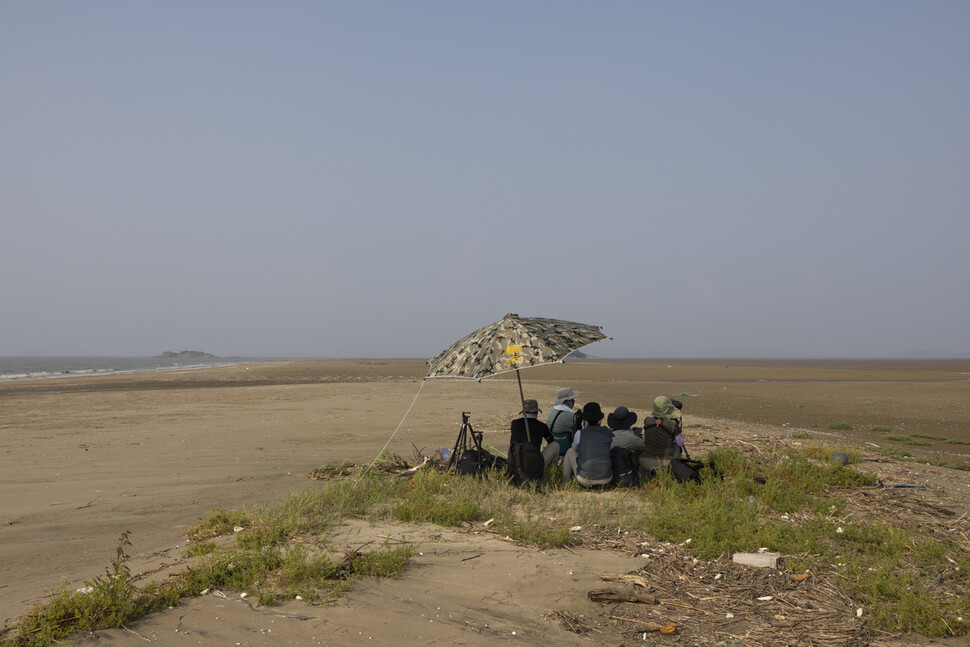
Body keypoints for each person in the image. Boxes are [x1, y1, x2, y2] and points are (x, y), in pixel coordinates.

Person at [561, 402, 613, 487]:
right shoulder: (607, 431)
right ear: (600, 420)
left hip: (586, 479)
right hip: (607, 478)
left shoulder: (580, 433)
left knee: (570, 451)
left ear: (585, 420)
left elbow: (575, 448)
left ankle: (566, 482)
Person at [509, 399, 559, 468]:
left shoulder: (514, 423)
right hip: (533, 463)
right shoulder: (542, 426)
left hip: (515, 461)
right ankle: (550, 471)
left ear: (523, 412)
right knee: (555, 445)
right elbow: (551, 441)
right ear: (536, 412)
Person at [640, 396, 682, 473]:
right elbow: (680, 443)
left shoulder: (647, 421)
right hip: (665, 463)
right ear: (668, 408)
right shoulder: (672, 424)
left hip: (644, 462)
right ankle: (674, 472)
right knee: (677, 447)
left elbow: (655, 420)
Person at [547, 387, 580, 458]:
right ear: (567, 401)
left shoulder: (550, 413)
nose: (574, 401)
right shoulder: (571, 416)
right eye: (572, 399)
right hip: (567, 449)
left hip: (553, 448)